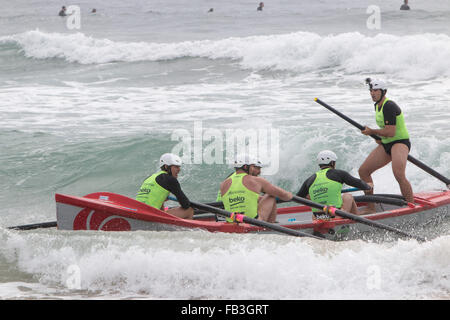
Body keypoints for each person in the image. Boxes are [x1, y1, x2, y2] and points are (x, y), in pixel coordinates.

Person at [358, 78, 414, 213]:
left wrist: (372, 131)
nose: (372, 93)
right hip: (387, 143)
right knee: (363, 171)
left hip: (400, 143)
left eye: (375, 91)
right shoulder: (377, 105)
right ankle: (371, 207)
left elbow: (391, 131)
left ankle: (412, 206)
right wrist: (379, 137)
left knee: (398, 174)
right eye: (371, 91)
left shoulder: (389, 106)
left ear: (383, 92)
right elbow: (385, 130)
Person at [296, 150, 372, 217]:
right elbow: (358, 183)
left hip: (318, 216)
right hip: (336, 214)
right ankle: (356, 219)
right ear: (332, 163)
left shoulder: (309, 179)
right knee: (347, 196)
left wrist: (308, 197)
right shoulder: (339, 173)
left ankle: (353, 217)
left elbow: (298, 197)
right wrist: (368, 186)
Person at [219, 154, 292, 223]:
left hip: (232, 221)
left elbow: (244, 197)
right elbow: (282, 194)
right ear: (245, 167)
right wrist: (289, 195)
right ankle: (270, 225)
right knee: (271, 196)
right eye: (252, 166)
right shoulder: (255, 180)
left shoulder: (223, 184)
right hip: (253, 222)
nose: (253, 169)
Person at [136, 153, 194, 219]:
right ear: (166, 167)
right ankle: (187, 228)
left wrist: (163, 198)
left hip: (138, 211)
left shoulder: (150, 177)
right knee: (189, 210)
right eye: (176, 167)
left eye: (179, 167)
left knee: (162, 206)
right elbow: (185, 204)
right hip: (150, 215)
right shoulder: (170, 179)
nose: (179, 170)